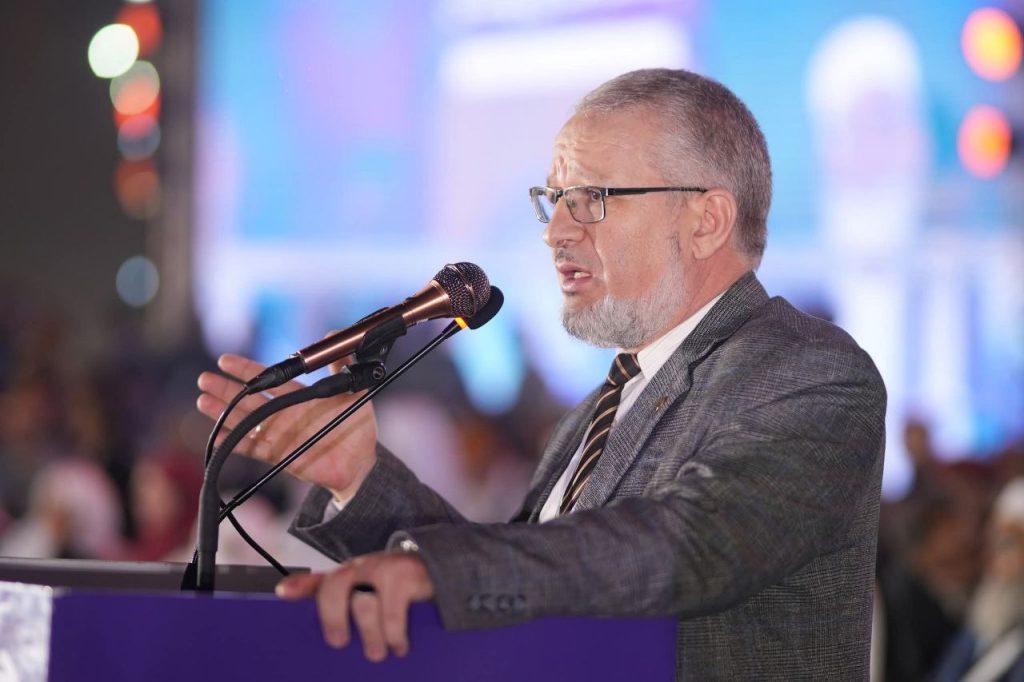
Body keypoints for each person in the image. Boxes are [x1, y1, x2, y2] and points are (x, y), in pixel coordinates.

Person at [197, 68, 886, 679]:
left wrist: (442, 571)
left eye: (591, 197)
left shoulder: (812, 374)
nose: (556, 231)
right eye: (553, 199)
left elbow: (687, 545)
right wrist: (358, 477)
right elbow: (528, 579)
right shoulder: (599, 409)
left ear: (706, 221)